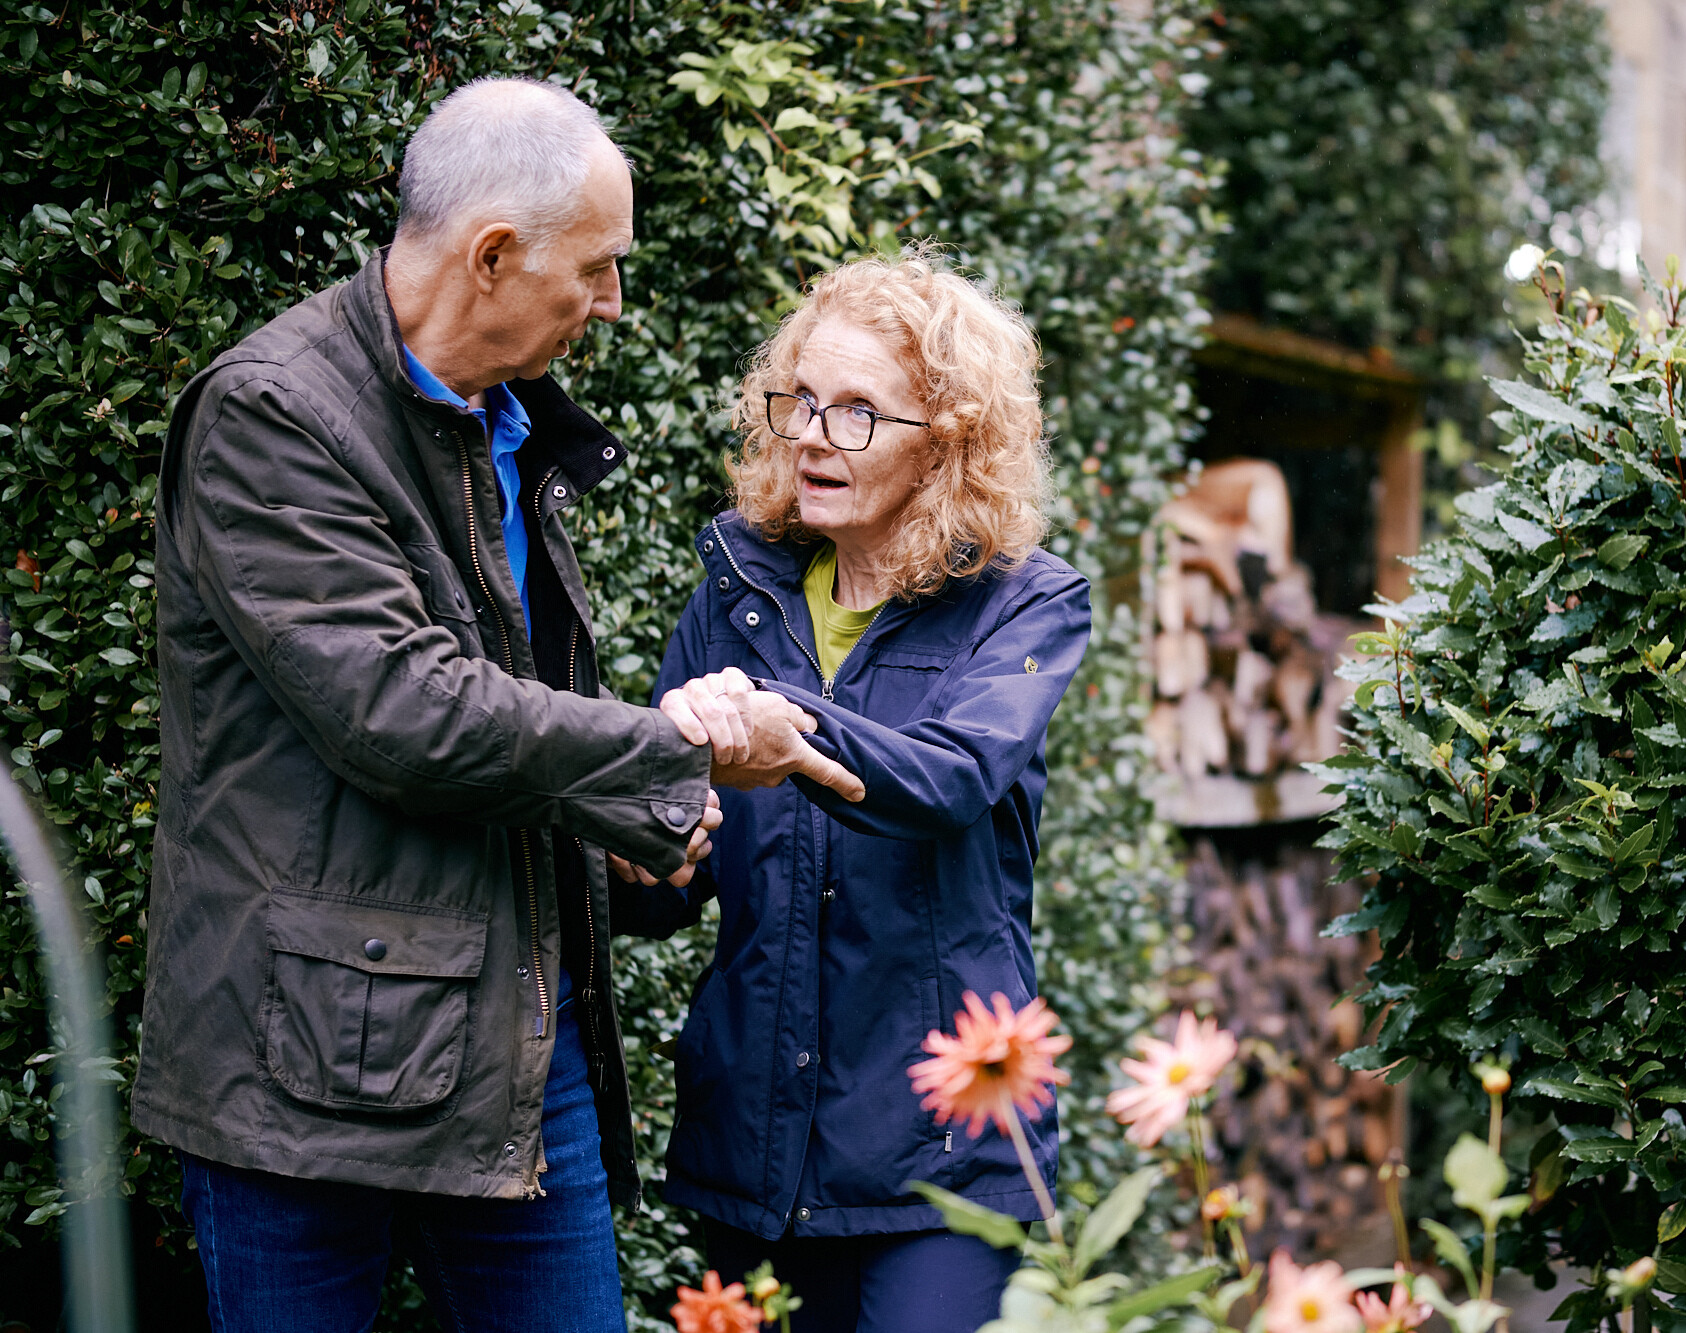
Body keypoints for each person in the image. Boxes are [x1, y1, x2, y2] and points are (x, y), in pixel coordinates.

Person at [132, 78, 860, 1333]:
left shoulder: (506, 424)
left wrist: (630, 831)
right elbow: (403, 712)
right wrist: (671, 751)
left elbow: (514, 718)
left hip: (521, 1046)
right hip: (297, 1060)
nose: (612, 303)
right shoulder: (273, 414)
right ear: (492, 255)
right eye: (597, 268)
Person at [646, 248, 1092, 1333]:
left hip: (939, 1157)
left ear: (944, 446)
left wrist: (780, 728)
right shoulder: (738, 594)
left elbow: (950, 775)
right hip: (749, 1150)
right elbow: (666, 871)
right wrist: (639, 835)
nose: (809, 433)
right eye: (799, 400)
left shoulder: (1026, 606)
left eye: (855, 412)